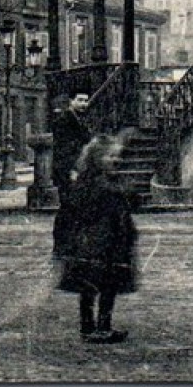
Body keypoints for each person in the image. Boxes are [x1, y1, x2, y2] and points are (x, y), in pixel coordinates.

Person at [52, 135, 137, 344]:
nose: (116, 160)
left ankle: (100, 326)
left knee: (107, 286)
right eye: (110, 156)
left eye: (117, 156)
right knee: (93, 286)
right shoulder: (91, 186)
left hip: (110, 243)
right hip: (94, 244)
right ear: (97, 158)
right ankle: (91, 327)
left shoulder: (107, 183)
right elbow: (68, 215)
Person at [50, 93, 92, 204]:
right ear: (71, 101)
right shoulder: (64, 120)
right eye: (80, 100)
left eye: (85, 101)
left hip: (76, 163)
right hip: (68, 164)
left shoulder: (79, 117)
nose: (83, 104)